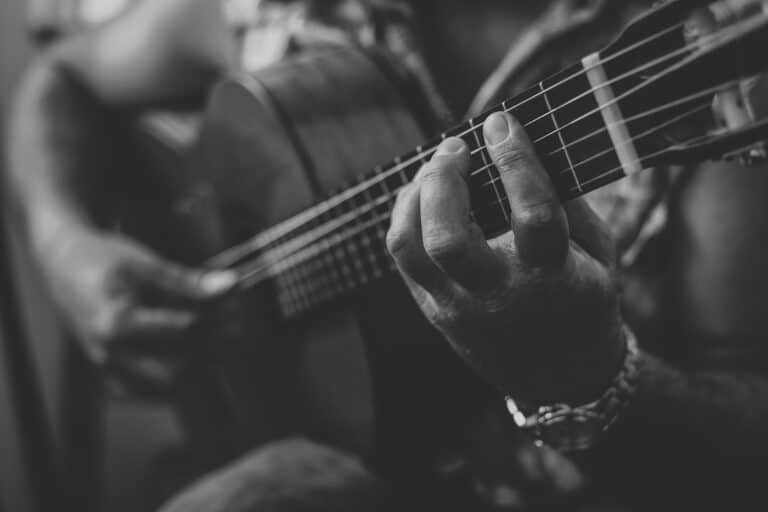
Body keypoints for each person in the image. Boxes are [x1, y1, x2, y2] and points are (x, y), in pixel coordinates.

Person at [6, 0, 768, 510]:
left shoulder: (704, 44)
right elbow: (62, 76)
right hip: (260, 431)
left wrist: (591, 380)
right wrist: (65, 241)